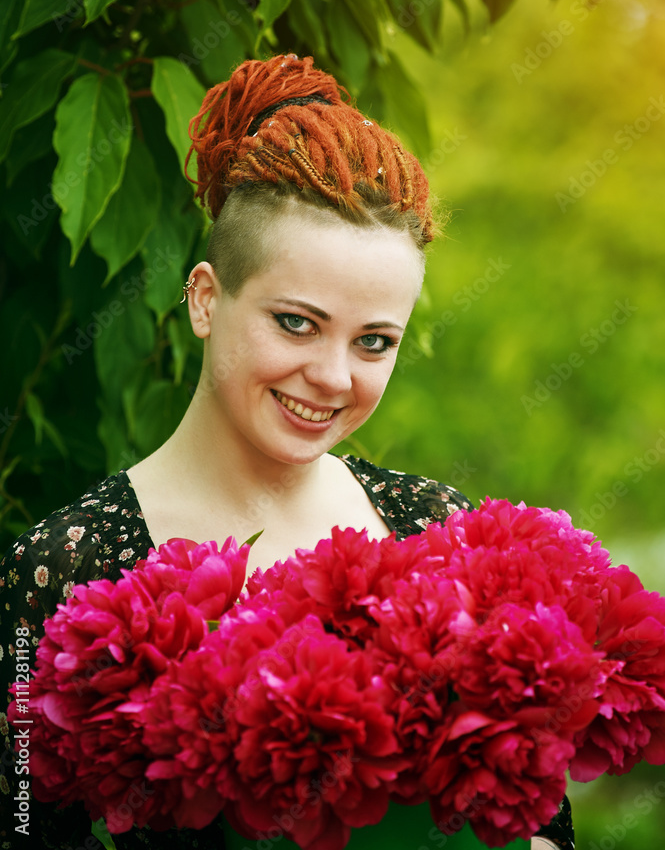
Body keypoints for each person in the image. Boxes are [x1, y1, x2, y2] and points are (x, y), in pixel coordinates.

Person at [0, 54, 573, 850]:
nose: (332, 377)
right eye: (296, 323)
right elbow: (21, 831)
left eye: (373, 341)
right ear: (205, 298)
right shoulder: (63, 568)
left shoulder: (441, 534)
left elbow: (541, 825)